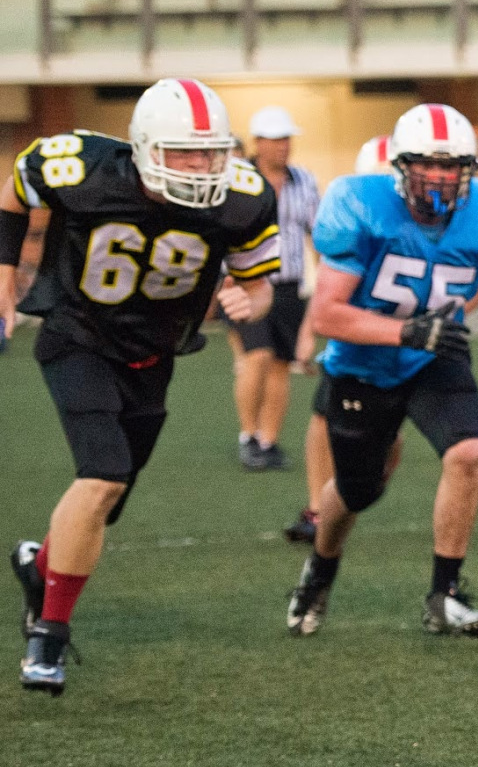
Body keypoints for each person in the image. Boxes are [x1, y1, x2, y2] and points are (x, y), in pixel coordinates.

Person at [3, 78, 280, 695]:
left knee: (107, 501)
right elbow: (15, 192)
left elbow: (259, 285)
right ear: (146, 146)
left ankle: (39, 565)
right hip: (77, 336)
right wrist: (4, 272)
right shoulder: (83, 168)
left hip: (153, 355)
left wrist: (252, 301)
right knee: (102, 475)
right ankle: (48, 636)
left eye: (210, 153)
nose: (201, 167)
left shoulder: (242, 197)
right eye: (185, 152)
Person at [284, 103, 478, 638]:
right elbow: (325, 315)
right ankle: (319, 569)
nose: (439, 176)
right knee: (358, 491)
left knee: (468, 452)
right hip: (363, 365)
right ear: (400, 166)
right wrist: (406, 332)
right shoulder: (361, 204)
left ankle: (445, 595)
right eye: (428, 164)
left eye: (451, 165)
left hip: (436, 357)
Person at [283, 135, 403, 545]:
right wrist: (307, 334)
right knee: (323, 414)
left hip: (410, 342)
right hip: (356, 337)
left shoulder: (429, 227)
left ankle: (354, 494)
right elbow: (326, 290)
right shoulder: (353, 221)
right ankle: (319, 509)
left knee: (389, 434)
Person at [228, 106, 320, 471]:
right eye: (276, 139)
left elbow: (317, 235)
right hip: (247, 282)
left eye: (286, 139)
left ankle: (268, 441)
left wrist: (324, 282)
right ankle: (248, 435)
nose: (284, 146)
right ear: (259, 143)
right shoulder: (237, 178)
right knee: (258, 354)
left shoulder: (304, 181)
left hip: (288, 286)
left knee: (282, 363)